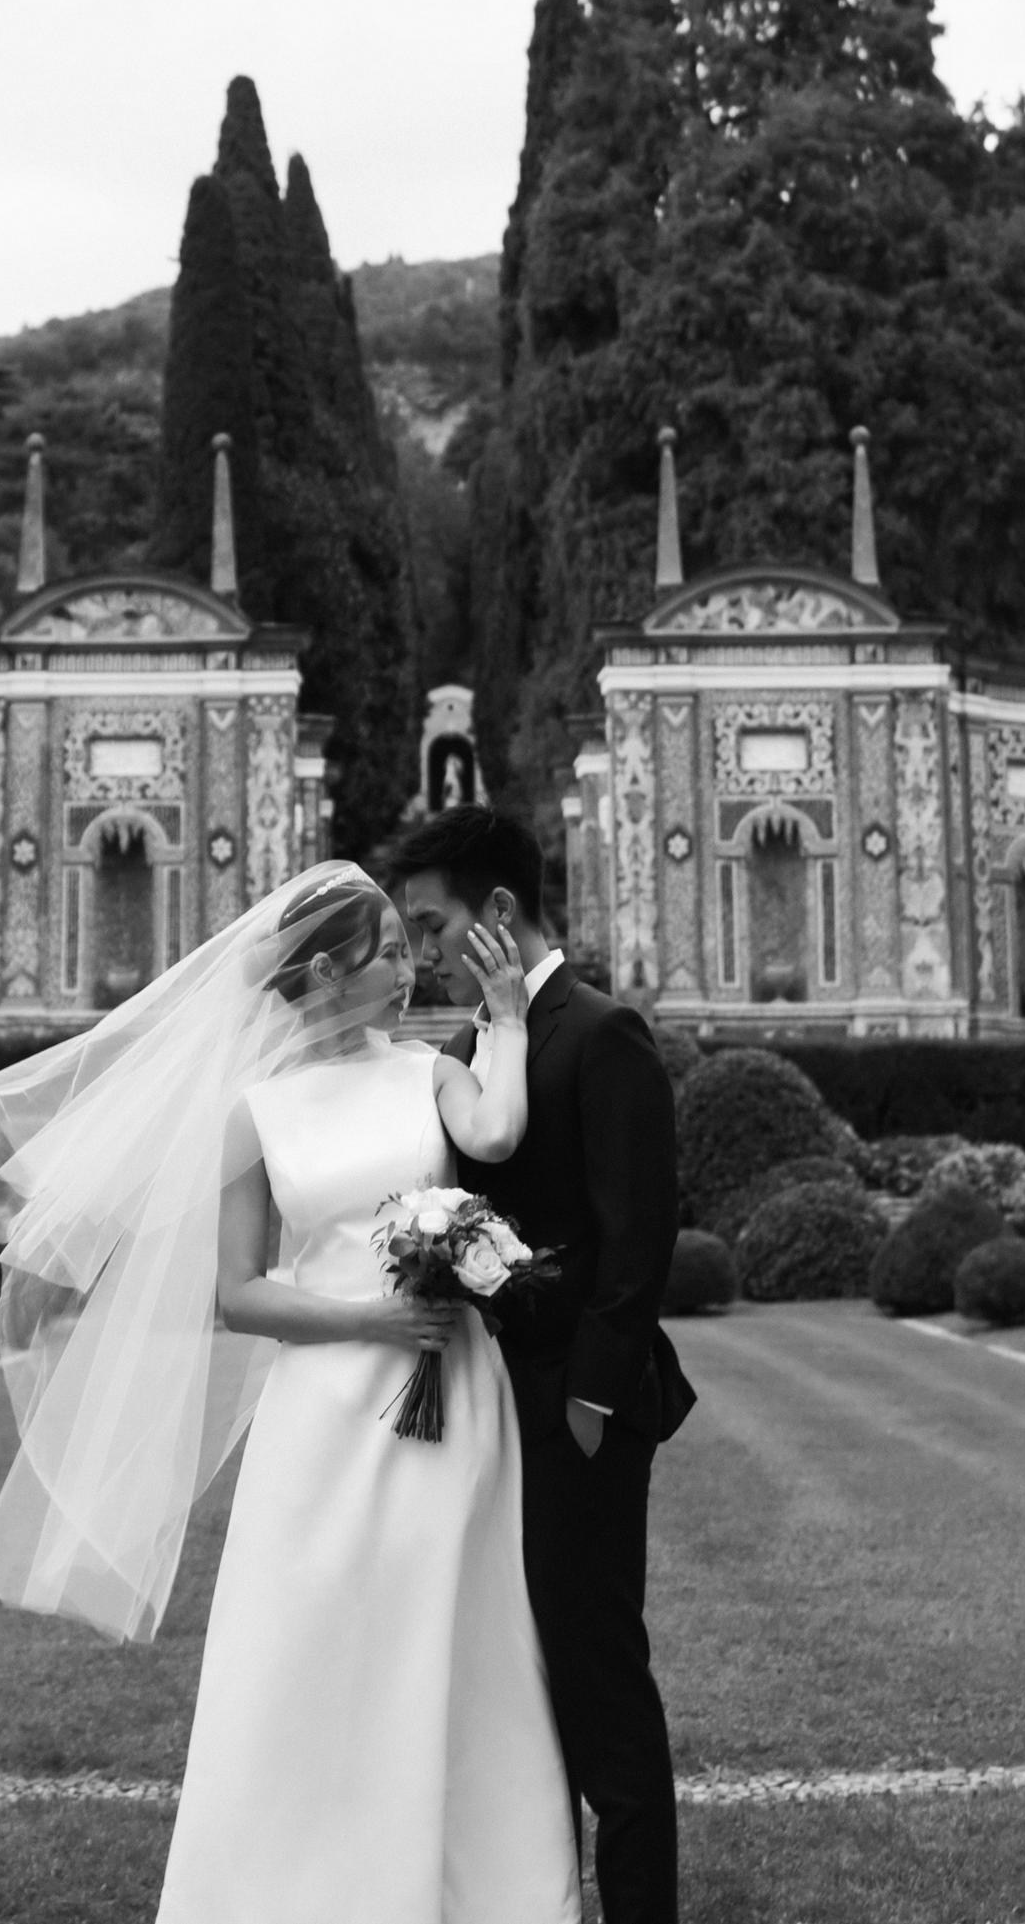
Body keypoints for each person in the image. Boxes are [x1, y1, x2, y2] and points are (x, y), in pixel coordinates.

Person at [0, 863, 582, 1924]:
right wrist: (368, 1319)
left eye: (408, 954)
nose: (408, 973)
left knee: (459, 1635)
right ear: (324, 972)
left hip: (451, 1403)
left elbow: (497, 1135)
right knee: (309, 1652)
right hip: (320, 1414)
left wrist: (501, 1019)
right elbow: (237, 1295)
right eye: (387, 955)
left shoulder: (428, 1070)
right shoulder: (253, 1112)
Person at [388, 806, 693, 1924]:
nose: (416, 952)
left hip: (577, 1413)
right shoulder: (478, 1048)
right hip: (486, 1417)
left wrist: (588, 1400)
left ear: (498, 914)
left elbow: (637, 1235)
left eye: (430, 925)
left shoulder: (599, 1031)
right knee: (518, 1687)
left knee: (599, 1679)